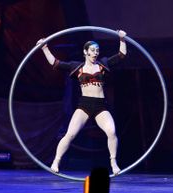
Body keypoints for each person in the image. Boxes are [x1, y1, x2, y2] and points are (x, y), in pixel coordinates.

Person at [36, 30, 127, 175]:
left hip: (100, 106)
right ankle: (56, 161)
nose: (95, 53)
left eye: (97, 50)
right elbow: (55, 63)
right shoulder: (76, 67)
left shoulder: (103, 64)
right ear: (85, 52)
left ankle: (113, 162)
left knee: (111, 132)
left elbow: (121, 56)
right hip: (84, 105)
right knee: (70, 134)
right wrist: (44, 47)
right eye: (92, 50)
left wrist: (122, 39)